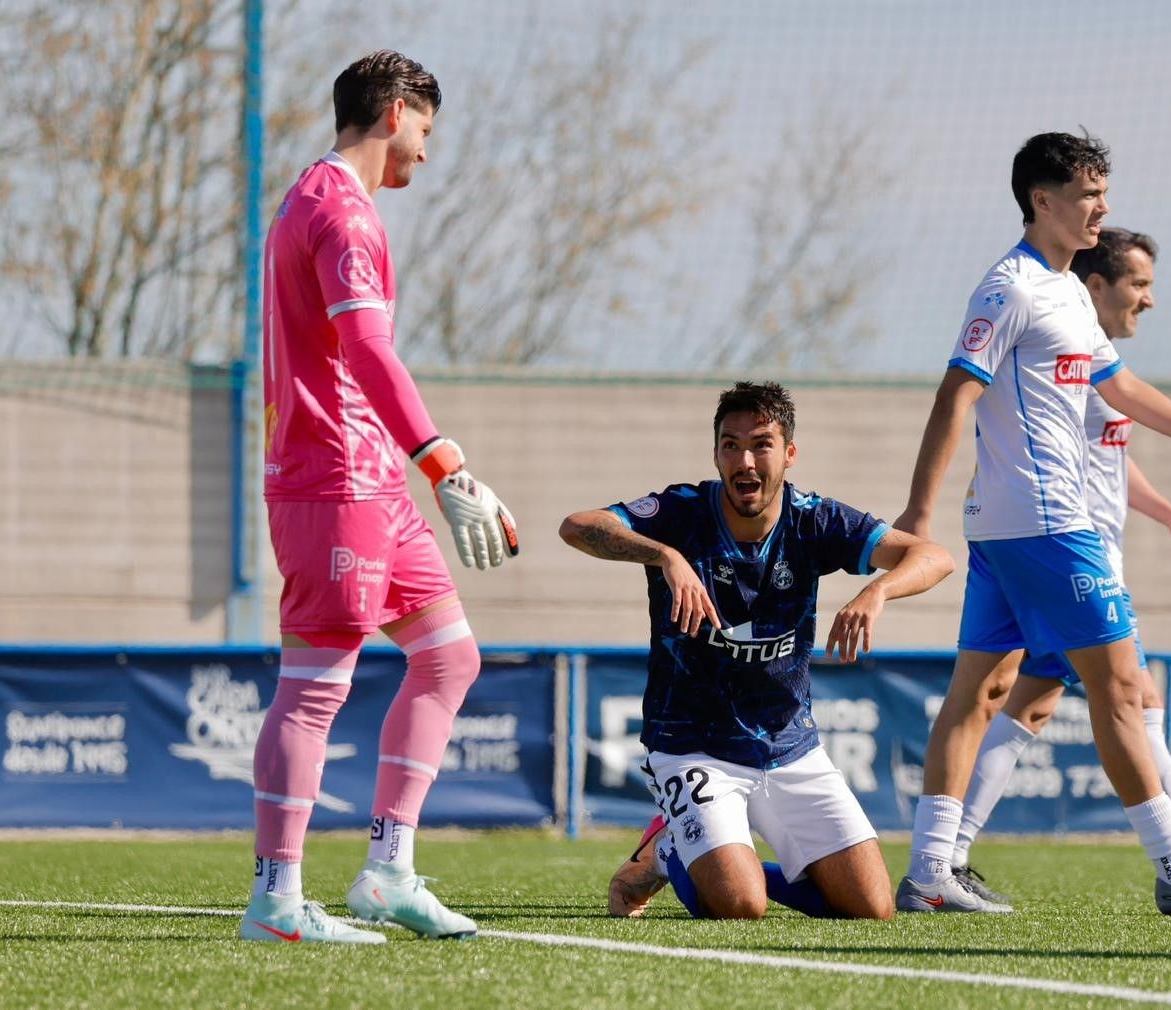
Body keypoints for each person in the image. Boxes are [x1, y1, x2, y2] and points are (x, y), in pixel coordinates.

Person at [893, 132, 1171, 916]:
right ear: (1043, 199)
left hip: (1015, 530)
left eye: (1103, 191)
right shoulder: (1010, 288)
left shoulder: (1069, 290)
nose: (1101, 207)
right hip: (1046, 524)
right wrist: (915, 512)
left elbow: (1122, 387)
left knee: (983, 692)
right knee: (1119, 687)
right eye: (1088, 193)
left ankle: (933, 867)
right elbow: (954, 393)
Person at [240, 51, 519, 944]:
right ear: (397, 111)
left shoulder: (310, 199)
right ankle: (277, 902)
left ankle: (388, 870)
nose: (426, 155)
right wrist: (442, 461)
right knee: (315, 690)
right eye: (426, 131)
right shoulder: (341, 211)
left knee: (449, 658)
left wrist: (432, 475)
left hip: (371, 483)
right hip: (335, 482)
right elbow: (366, 351)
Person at [560, 381, 955, 920]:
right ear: (717, 453)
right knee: (741, 907)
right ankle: (673, 849)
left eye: (762, 444)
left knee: (873, 908)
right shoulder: (683, 512)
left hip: (791, 745)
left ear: (789, 453)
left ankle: (685, 850)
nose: (745, 460)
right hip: (693, 747)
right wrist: (665, 556)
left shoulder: (815, 520)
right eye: (730, 444)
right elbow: (578, 526)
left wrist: (877, 589)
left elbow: (934, 556)